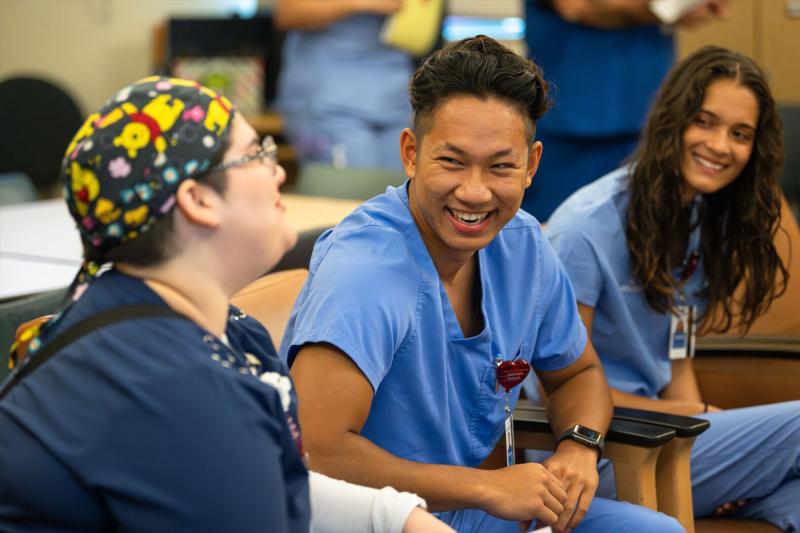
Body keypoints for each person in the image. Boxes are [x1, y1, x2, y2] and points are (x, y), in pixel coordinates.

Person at [0, 76, 453, 533]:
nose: (278, 171)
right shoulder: (174, 384)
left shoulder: (214, 328)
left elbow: (273, 482)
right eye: (257, 154)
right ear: (197, 200)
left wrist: (400, 519)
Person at [280, 36, 682, 532]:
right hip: (379, 519)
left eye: (501, 166)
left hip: (483, 513)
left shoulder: (524, 245)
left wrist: (578, 446)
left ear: (531, 165)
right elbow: (318, 451)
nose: (474, 191)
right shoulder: (364, 270)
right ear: (410, 153)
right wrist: (489, 487)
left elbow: (577, 375)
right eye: (451, 161)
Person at [543, 46, 799, 530]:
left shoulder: (699, 218)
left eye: (740, 134)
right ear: (672, 121)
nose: (721, 145)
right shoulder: (584, 228)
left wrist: (702, 424)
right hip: (598, 446)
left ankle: (738, 495)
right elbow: (559, 386)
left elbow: (675, 359)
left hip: (670, 434)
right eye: (705, 122)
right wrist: (694, 414)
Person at [521, 0, 729, 220]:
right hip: (574, 123)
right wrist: (666, 8)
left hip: (647, 113)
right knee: (555, 233)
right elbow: (579, 6)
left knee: (645, 231)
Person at [274, 0, 416, 171]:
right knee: (355, 188)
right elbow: (288, 13)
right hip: (328, 100)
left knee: (402, 189)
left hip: (394, 99)